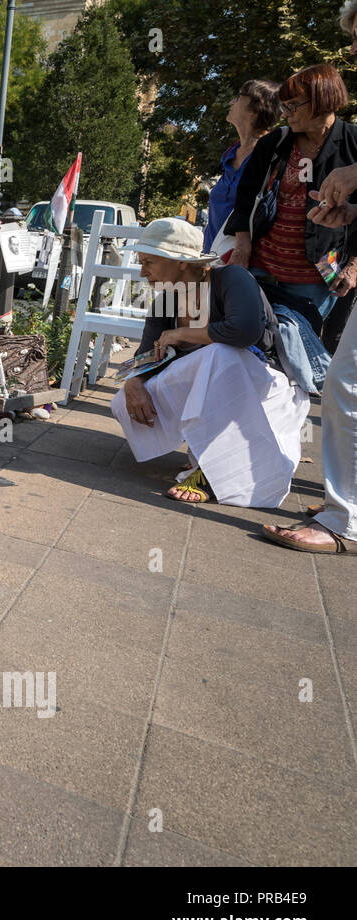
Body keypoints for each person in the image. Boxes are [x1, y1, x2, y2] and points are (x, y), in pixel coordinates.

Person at [113, 218, 310, 508]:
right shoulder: (166, 300)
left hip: (264, 382)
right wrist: (133, 382)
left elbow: (244, 331)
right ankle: (204, 447)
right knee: (122, 400)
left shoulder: (230, 278)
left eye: (149, 262)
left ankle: (214, 472)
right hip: (212, 382)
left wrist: (181, 333)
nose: (143, 273)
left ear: (180, 261)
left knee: (221, 354)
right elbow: (147, 356)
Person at [261, 6, 357, 555]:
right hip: (275, 265)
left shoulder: (349, 143)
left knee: (342, 383)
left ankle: (344, 520)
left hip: (315, 279)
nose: (350, 51)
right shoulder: (279, 146)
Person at [224, 65, 357, 342]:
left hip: (322, 269)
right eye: (283, 106)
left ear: (322, 100)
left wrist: (354, 265)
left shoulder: (353, 143)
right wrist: (242, 246)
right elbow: (246, 196)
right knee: (250, 343)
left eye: (293, 105)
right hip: (261, 266)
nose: (285, 114)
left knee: (297, 349)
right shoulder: (277, 142)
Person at [204, 80, 281, 254]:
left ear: (255, 109)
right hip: (212, 258)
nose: (231, 102)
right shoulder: (230, 153)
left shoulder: (273, 157)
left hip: (247, 264)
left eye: (238, 98)